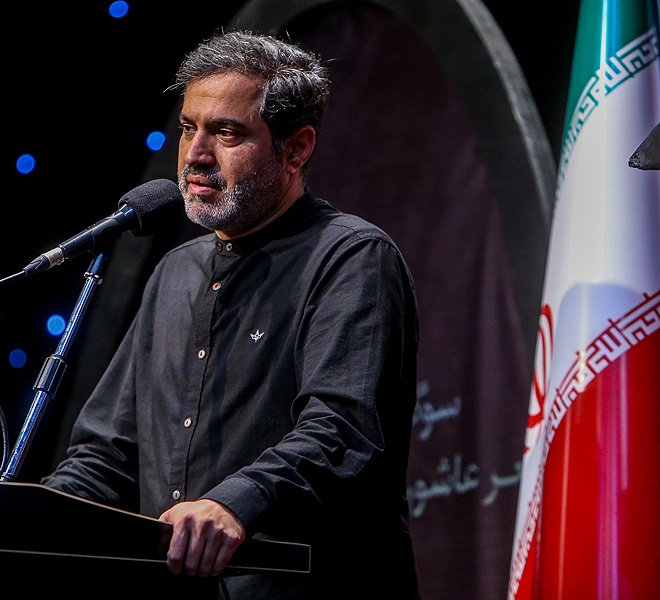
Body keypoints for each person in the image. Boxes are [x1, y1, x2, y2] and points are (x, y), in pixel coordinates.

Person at [42, 29, 422, 599]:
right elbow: (107, 456)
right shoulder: (174, 273)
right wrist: (19, 519)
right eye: (188, 127)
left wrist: (234, 503)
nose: (196, 154)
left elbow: (342, 431)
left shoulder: (351, 258)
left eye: (226, 133)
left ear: (296, 149)